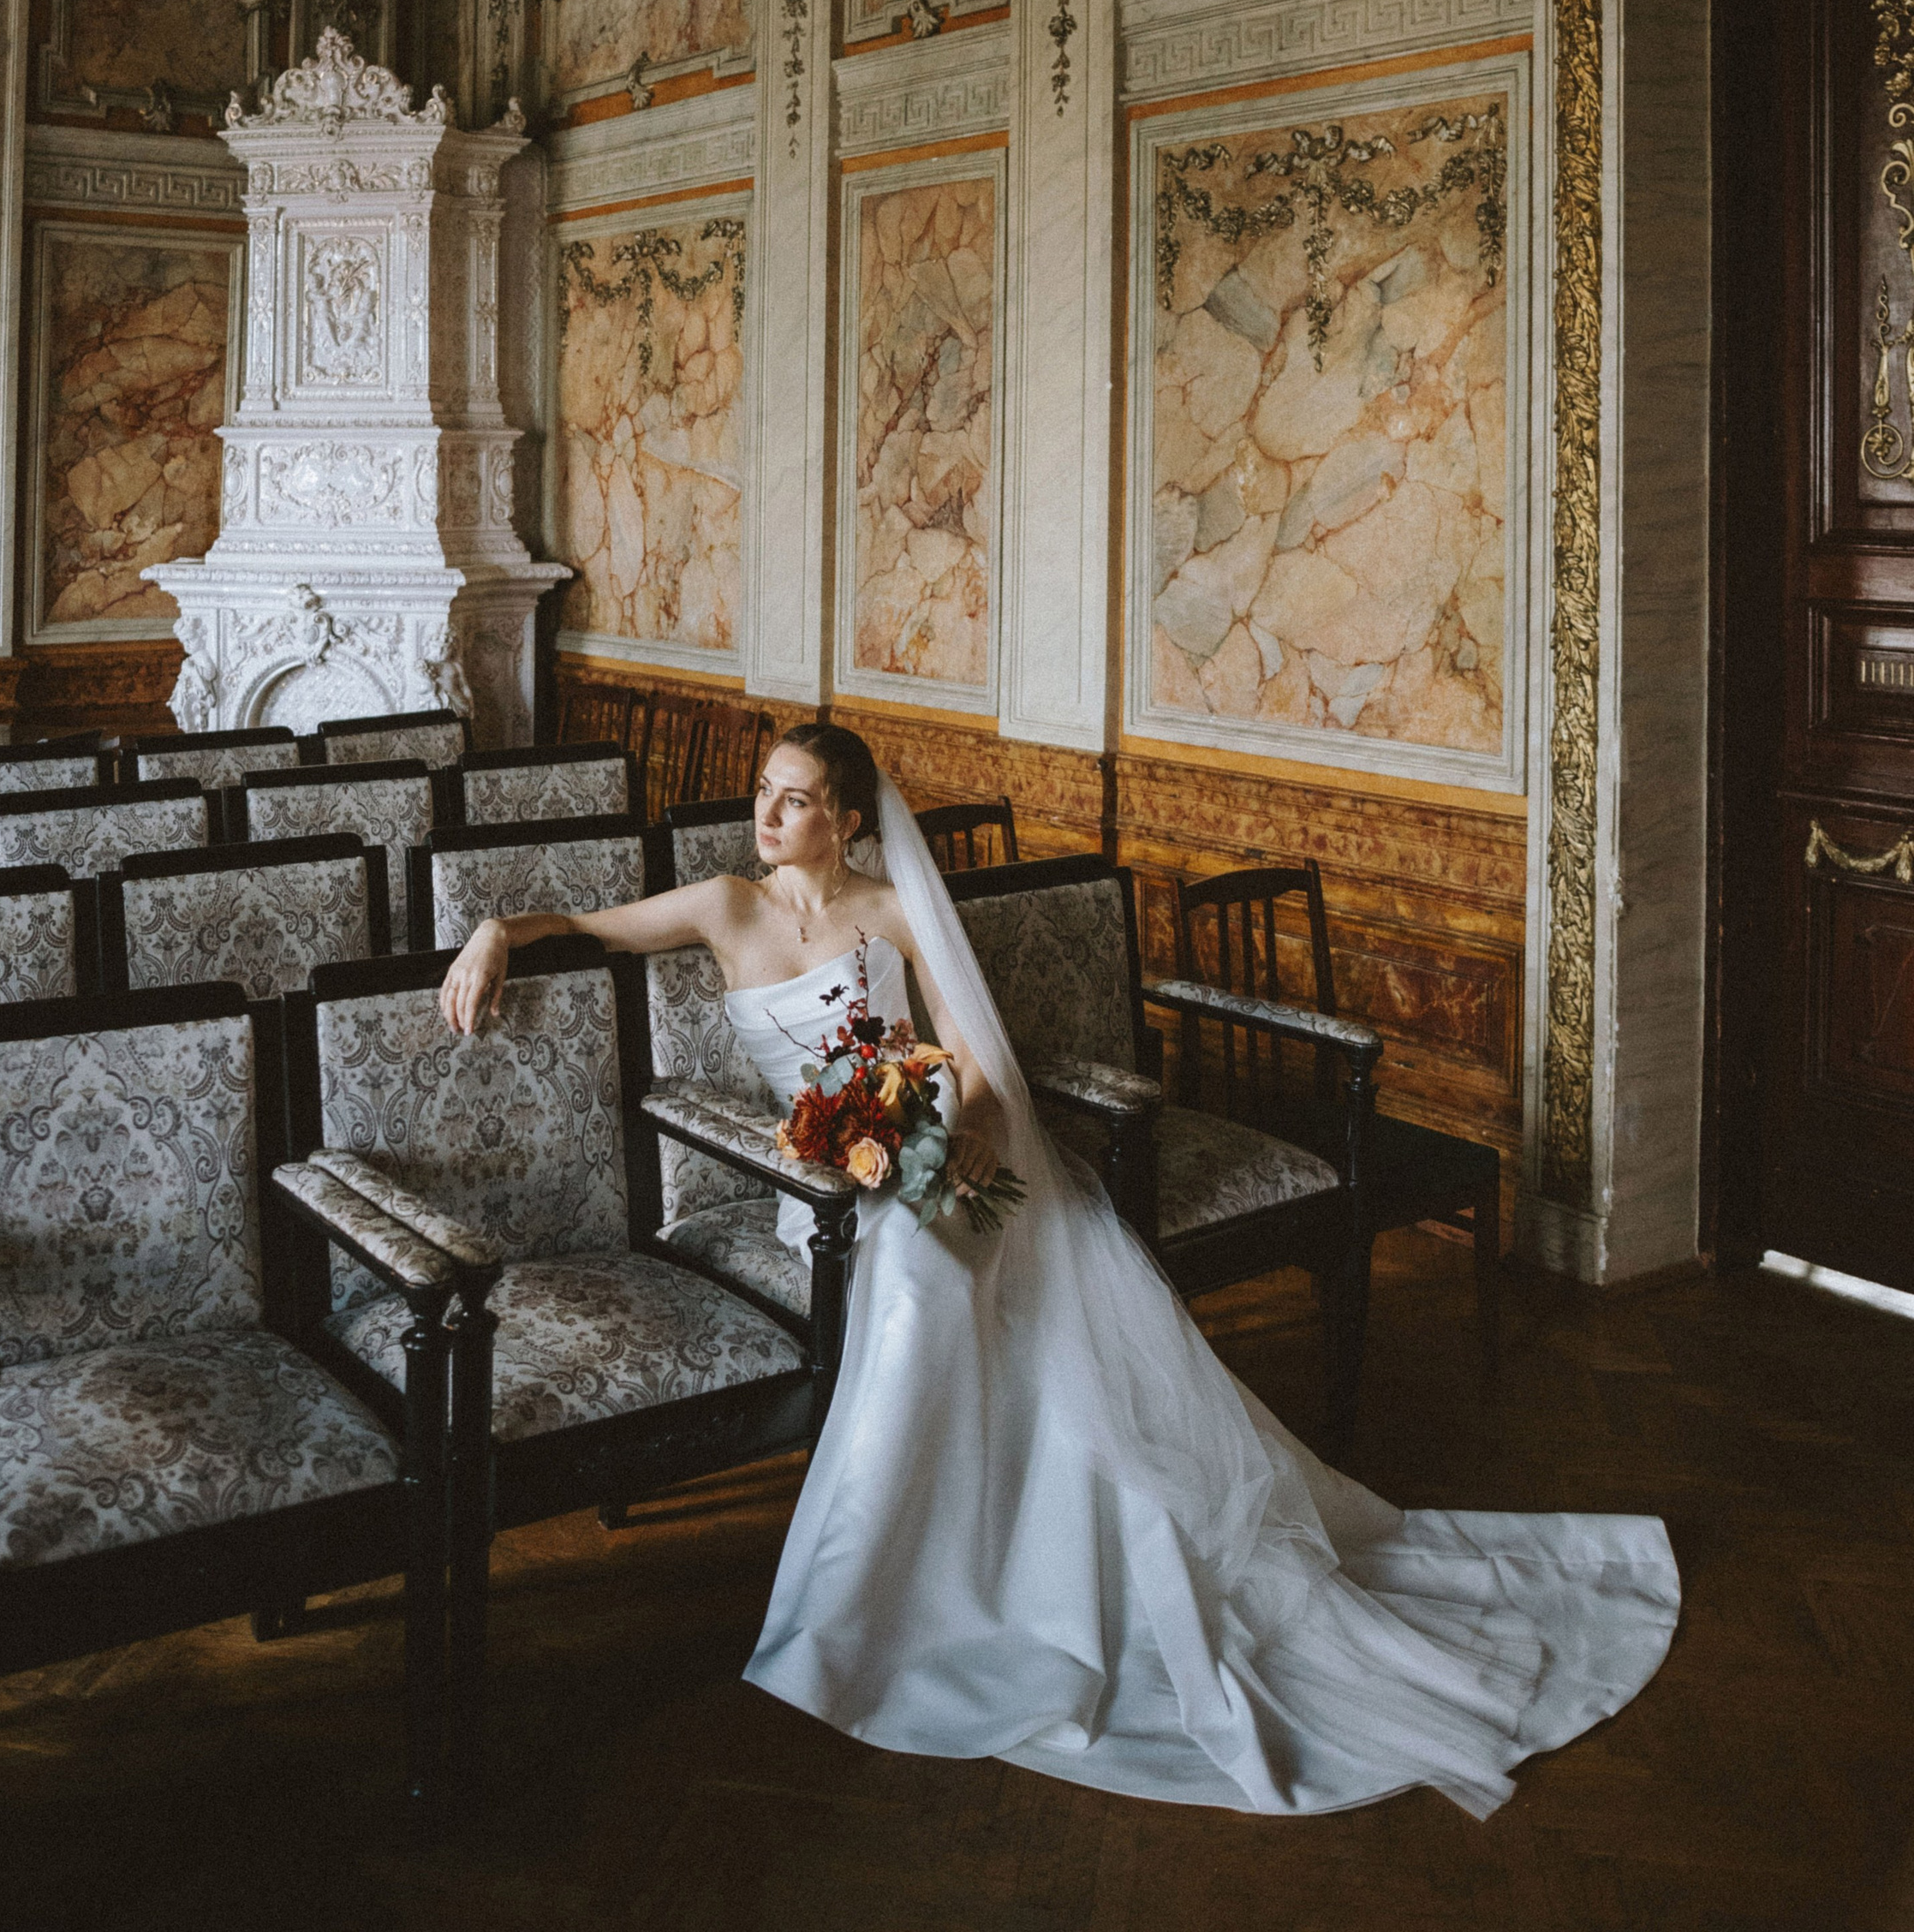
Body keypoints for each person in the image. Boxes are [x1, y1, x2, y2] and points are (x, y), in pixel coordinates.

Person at [438, 722, 1680, 1817]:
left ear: (850, 822)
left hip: (928, 1161)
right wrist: (497, 929)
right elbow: (586, 925)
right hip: (819, 1191)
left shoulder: (893, 912)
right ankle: (881, 1604)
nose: (767, 814)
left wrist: (959, 1136)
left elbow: (972, 1058)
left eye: (797, 797)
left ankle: (943, 1590)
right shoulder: (724, 903)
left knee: (949, 1274)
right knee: (925, 1280)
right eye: (766, 790)